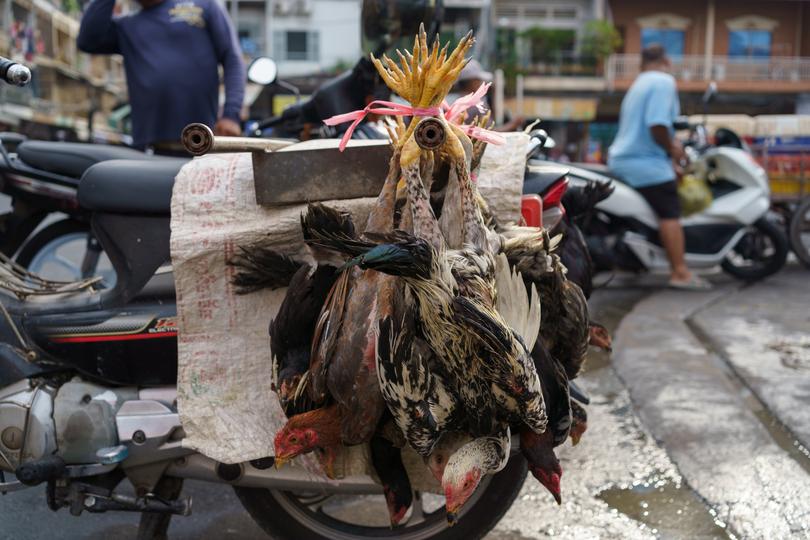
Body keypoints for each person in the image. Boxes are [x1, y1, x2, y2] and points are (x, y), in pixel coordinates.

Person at [77, 0, 245, 152]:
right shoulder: (127, 26)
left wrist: (231, 114)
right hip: (151, 149)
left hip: (202, 142)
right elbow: (87, 40)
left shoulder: (203, 6)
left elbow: (232, 57)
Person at [607, 44, 710, 289]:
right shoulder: (663, 82)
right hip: (643, 162)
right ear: (666, 60)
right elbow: (658, 125)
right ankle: (680, 272)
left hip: (625, 159)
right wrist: (673, 149)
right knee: (670, 213)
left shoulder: (639, 84)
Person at [449, 59, 524, 132]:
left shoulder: (453, 101)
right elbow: (488, 133)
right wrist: (513, 125)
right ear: (472, 82)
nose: (481, 83)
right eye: (479, 80)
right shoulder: (476, 104)